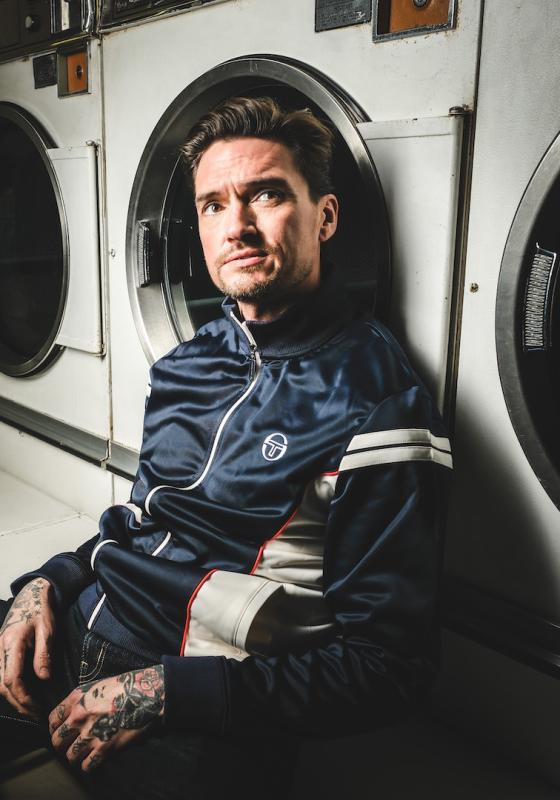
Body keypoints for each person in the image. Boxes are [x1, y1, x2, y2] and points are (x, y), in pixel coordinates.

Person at [0, 96, 451, 797]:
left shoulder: (380, 404)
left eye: (266, 195)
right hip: (72, 624)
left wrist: (169, 693)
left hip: (199, 701)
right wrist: (46, 583)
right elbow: (145, 524)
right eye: (213, 205)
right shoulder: (187, 363)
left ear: (325, 216)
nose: (236, 226)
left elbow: (389, 668)